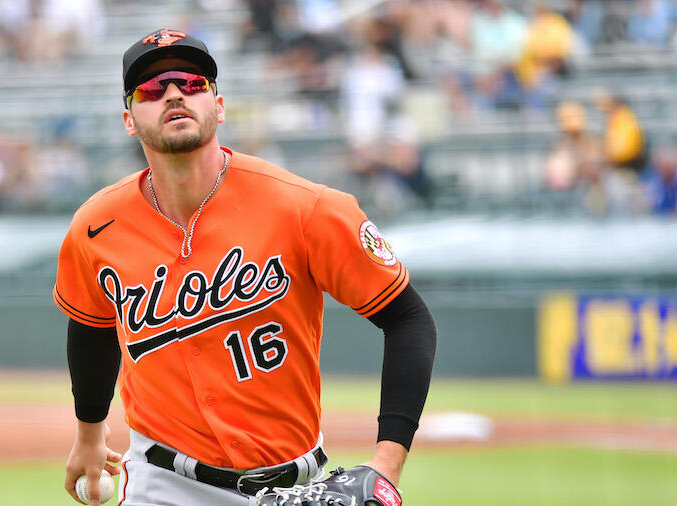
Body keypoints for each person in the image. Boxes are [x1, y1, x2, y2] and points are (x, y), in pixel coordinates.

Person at [53, 28, 437, 506]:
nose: (174, 93)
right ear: (129, 119)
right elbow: (91, 326)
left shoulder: (307, 208)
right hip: (163, 484)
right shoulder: (96, 225)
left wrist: (386, 464)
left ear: (219, 106)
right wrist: (90, 434)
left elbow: (407, 318)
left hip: (296, 484)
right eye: (152, 88)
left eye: (193, 83)